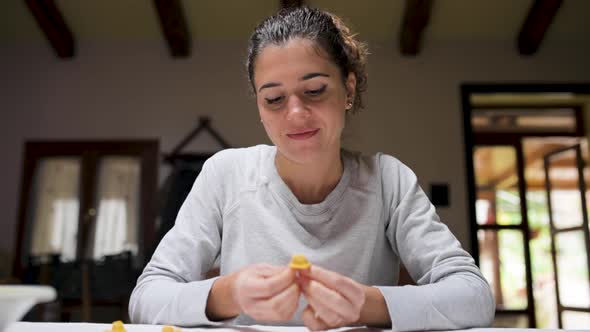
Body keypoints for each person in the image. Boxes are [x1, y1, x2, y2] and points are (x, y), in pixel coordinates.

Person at [129, 6, 495, 331]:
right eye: (273, 99)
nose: (296, 114)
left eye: (315, 90)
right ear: (258, 106)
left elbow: (473, 295)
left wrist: (367, 306)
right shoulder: (226, 174)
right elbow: (146, 297)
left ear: (348, 89)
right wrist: (227, 295)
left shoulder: (389, 181)